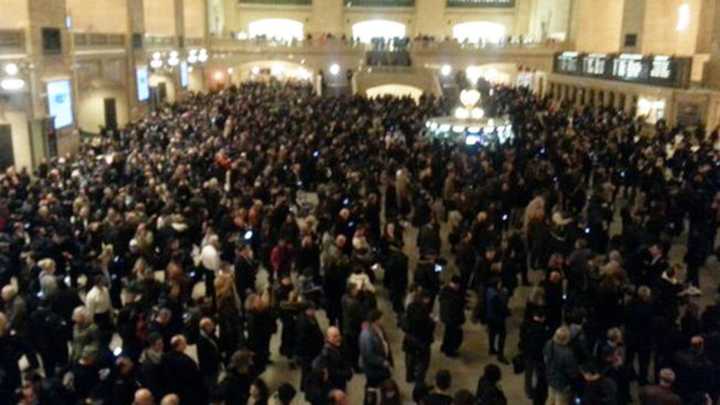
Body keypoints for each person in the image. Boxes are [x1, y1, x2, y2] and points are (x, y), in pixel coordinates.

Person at [160, 335, 207, 404]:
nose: (186, 345)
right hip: (188, 393)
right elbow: (196, 377)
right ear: (180, 345)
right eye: (184, 343)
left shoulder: (165, 357)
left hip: (173, 392)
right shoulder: (186, 360)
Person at [403, 290, 435, 385]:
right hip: (422, 340)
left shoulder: (410, 306)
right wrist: (433, 321)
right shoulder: (424, 311)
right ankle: (419, 381)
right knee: (423, 362)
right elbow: (427, 327)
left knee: (410, 359)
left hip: (409, 338)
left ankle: (409, 376)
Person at [519, 308, 551, 401]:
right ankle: (539, 391)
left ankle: (528, 391)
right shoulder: (542, 329)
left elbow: (522, 337)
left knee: (528, 373)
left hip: (527, 353)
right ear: (542, 318)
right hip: (538, 355)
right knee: (540, 374)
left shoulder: (525, 324)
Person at [544, 326, 580, 405]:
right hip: (562, 384)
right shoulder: (567, 354)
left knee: (550, 399)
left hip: (550, 378)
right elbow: (572, 373)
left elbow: (545, 358)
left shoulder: (549, 343)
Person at [359, 309, 392, 390]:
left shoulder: (379, 328)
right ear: (376, 320)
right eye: (381, 318)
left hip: (381, 363)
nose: (384, 320)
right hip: (373, 368)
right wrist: (383, 362)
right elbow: (368, 355)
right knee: (373, 386)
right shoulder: (366, 335)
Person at [295, 301, 324, 391]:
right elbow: (303, 339)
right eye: (312, 309)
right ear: (306, 310)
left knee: (308, 369)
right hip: (308, 351)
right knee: (306, 369)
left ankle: (306, 385)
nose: (314, 311)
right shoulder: (304, 322)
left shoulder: (310, 318)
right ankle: (304, 386)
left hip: (312, 349)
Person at [313, 326, 353, 391]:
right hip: (334, 388)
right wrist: (347, 373)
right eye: (334, 336)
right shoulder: (325, 354)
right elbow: (332, 373)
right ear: (327, 338)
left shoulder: (339, 347)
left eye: (339, 335)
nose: (338, 338)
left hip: (341, 385)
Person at [439, 275, 466, 357]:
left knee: (448, 332)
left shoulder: (445, 290)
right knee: (453, 336)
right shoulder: (454, 295)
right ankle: (450, 351)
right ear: (457, 284)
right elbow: (456, 309)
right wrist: (460, 320)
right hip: (452, 319)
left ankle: (444, 347)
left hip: (445, 317)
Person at [485, 278, 510, 364]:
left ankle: (491, 348)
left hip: (490, 317)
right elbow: (500, 307)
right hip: (497, 318)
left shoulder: (489, 291)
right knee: (502, 336)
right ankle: (500, 355)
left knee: (492, 333)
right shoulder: (496, 295)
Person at [197, 317, 222, 389]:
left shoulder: (211, 335)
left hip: (214, 367)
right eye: (210, 325)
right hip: (208, 370)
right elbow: (205, 357)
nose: (213, 326)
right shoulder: (201, 340)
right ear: (205, 326)